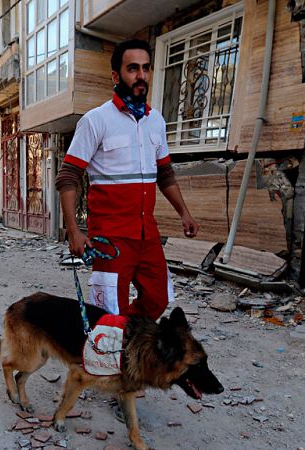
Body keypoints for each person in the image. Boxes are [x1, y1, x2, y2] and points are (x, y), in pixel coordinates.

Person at [56, 38, 199, 322]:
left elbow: (165, 174)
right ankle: (111, 357)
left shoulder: (156, 121)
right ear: (115, 76)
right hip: (111, 237)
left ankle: (126, 337)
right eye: (133, 69)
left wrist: (185, 213)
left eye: (146, 68)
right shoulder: (96, 120)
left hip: (147, 234)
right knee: (110, 309)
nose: (141, 76)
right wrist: (73, 231)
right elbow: (68, 176)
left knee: (158, 299)